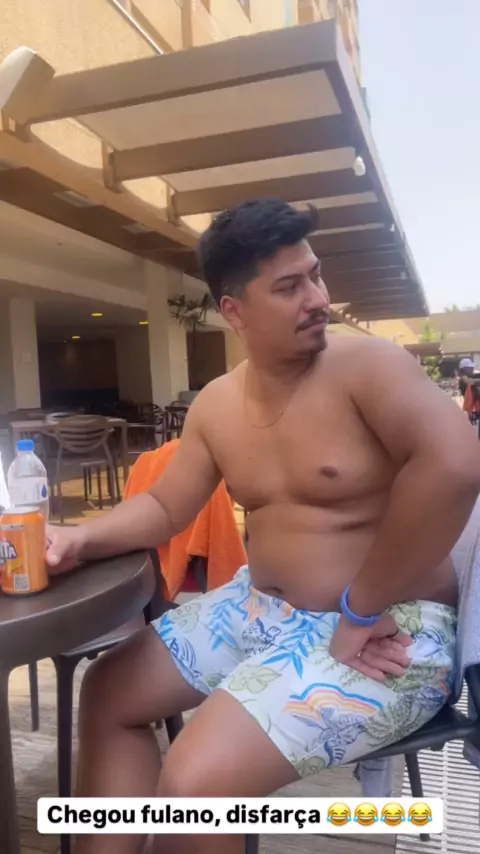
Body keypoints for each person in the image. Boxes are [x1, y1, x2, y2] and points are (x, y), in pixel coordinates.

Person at [47, 199, 480, 854]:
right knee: (107, 690)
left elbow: (456, 465)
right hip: (261, 610)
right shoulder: (218, 403)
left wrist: (361, 609)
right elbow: (166, 507)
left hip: (390, 629)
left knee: (197, 784)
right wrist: (79, 535)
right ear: (234, 310)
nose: (317, 299)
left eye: (316, 275)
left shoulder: (369, 367)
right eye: (289, 286)